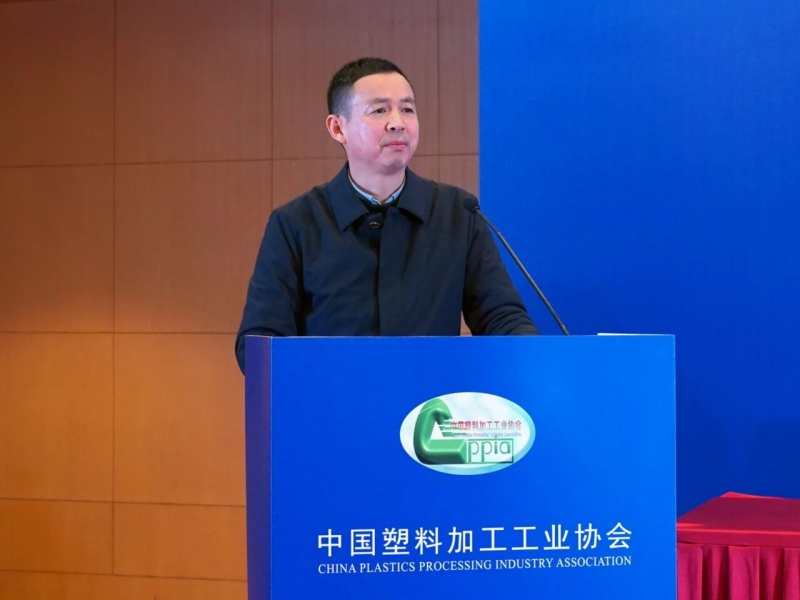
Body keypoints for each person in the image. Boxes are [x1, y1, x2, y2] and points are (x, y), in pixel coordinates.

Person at [235, 57, 537, 374]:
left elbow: (501, 318)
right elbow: (260, 341)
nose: (397, 123)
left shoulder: (458, 212)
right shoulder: (296, 223)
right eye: (380, 110)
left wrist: (539, 361)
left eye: (407, 109)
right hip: (332, 399)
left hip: (429, 400)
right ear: (338, 128)